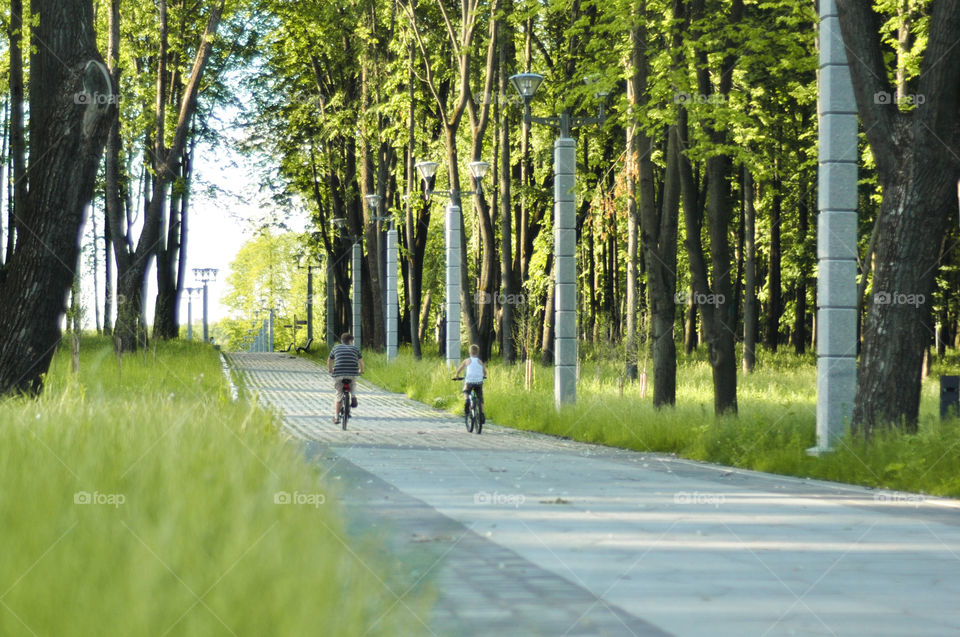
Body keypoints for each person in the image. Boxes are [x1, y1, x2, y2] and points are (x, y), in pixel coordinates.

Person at [328, 332, 364, 424]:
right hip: (352, 373)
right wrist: (361, 370)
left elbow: (330, 360)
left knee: (339, 394)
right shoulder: (355, 348)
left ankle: (336, 417)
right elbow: (361, 362)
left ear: (342, 340)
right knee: (353, 384)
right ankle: (353, 396)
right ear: (350, 340)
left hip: (339, 374)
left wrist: (330, 369)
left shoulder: (336, 348)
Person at [454, 344, 486, 424]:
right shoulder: (480, 361)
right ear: (477, 352)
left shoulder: (467, 361)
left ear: (469, 352)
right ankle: (481, 414)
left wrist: (457, 376)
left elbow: (459, 370)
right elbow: (485, 372)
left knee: (466, 391)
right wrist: (483, 376)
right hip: (479, 382)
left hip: (469, 381)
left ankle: (467, 400)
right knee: (480, 398)